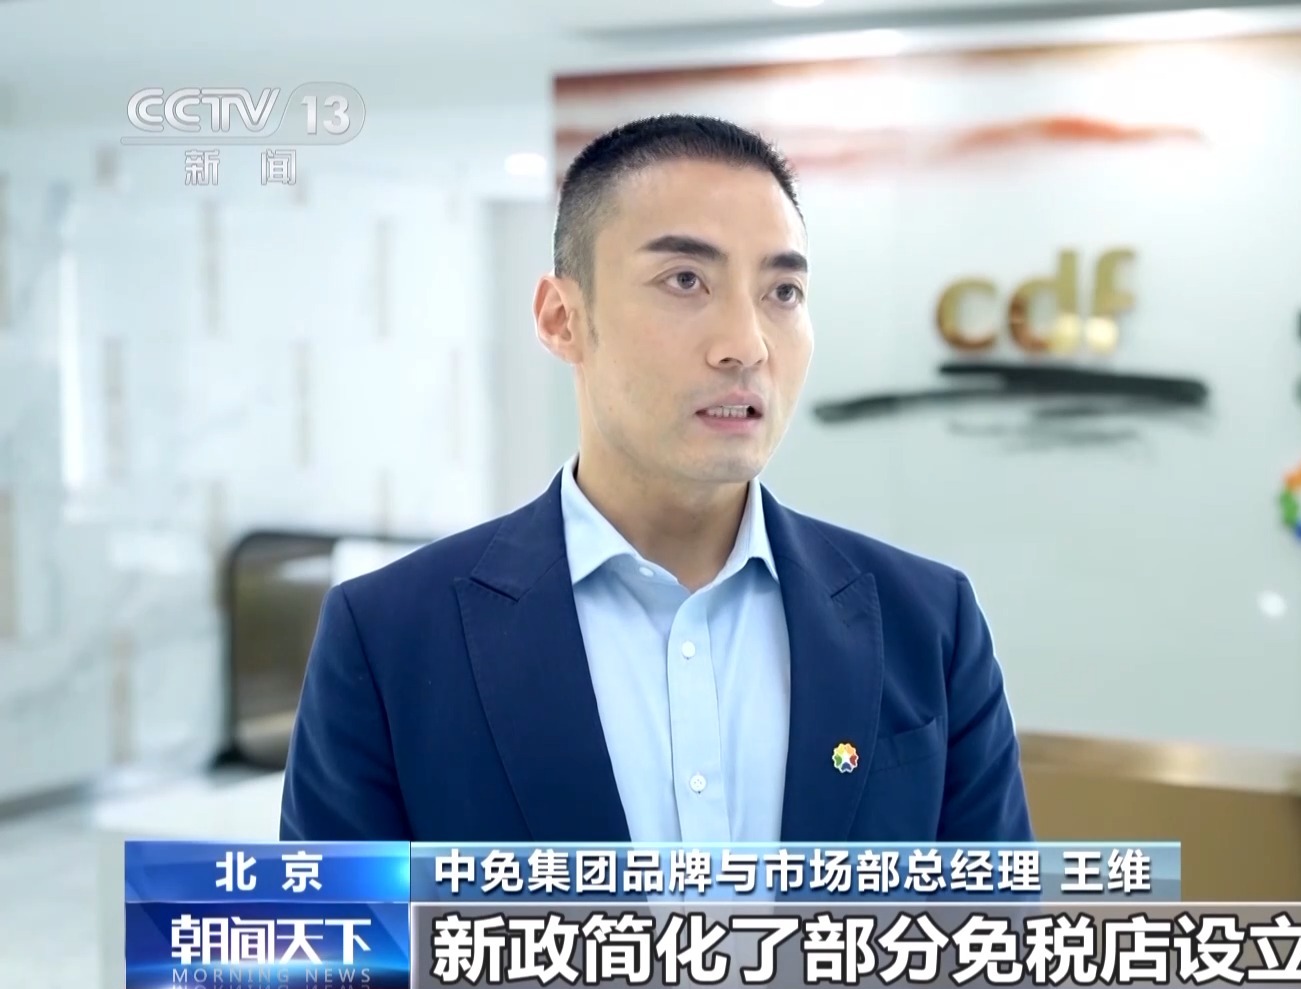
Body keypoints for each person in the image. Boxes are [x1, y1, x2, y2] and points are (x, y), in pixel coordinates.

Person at [280, 115, 1033, 844]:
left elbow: (996, 922)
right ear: (561, 318)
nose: (746, 345)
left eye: (782, 292)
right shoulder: (389, 639)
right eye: (685, 280)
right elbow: (345, 930)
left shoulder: (929, 623)